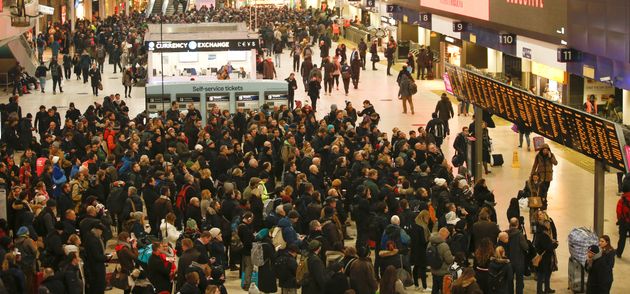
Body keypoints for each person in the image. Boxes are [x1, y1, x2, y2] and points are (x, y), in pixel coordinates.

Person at [534, 222, 558, 294]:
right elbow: (548, 247)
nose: (549, 225)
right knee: (542, 275)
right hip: (545, 259)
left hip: (543, 258)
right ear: (544, 226)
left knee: (546, 274)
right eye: (547, 224)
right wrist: (555, 244)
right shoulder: (543, 235)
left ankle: (547, 289)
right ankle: (540, 291)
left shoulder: (538, 234)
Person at [429, 228, 454, 294]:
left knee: (435, 289)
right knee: (443, 290)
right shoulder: (444, 245)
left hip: (433, 270)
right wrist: (453, 258)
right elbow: (449, 260)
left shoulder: (430, 243)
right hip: (443, 272)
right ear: (445, 235)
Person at [506, 218, 528, 294]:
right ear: (517, 224)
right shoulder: (519, 235)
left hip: (508, 261)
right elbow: (525, 247)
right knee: (519, 281)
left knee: (509, 281)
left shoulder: (506, 234)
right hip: (519, 262)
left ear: (510, 224)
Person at [616, 186, 630, 258]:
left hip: (624, 222)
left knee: (622, 238)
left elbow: (618, 212)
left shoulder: (622, 200)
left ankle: (619, 252)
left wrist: (619, 220)